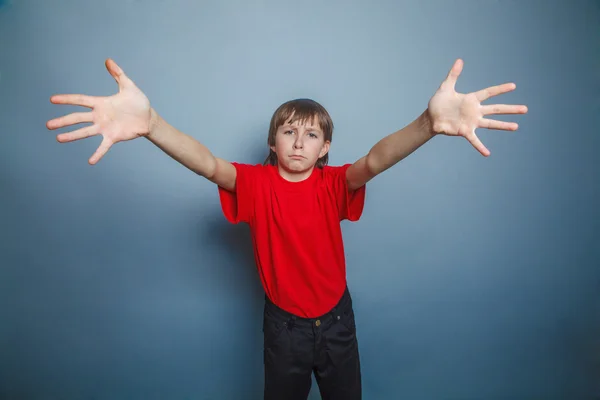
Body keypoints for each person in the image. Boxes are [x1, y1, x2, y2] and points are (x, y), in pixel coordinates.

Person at [46, 58, 527, 400]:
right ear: (272, 142)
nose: (299, 142)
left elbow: (377, 160)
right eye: (289, 131)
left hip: (338, 323)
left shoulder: (333, 184)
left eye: (311, 134)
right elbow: (207, 163)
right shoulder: (254, 184)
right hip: (285, 329)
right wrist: (151, 124)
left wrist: (428, 123)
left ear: (324, 148)